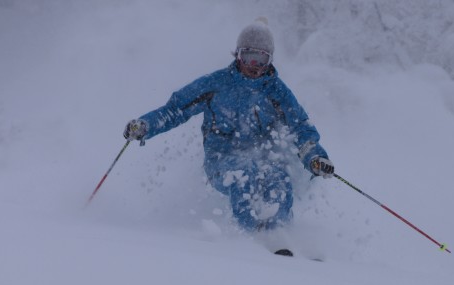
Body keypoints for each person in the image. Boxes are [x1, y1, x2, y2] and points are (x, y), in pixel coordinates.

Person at [123, 19, 334, 237]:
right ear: (237, 55)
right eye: (248, 56)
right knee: (244, 173)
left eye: (261, 59)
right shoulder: (215, 84)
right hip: (220, 160)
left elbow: (300, 127)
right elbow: (175, 109)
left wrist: (314, 157)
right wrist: (146, 125)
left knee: (278, 177)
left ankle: (280, 235)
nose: (254, 66)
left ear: (270, 60)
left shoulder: (276, 92)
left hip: (262, 159)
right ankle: (249, 235)